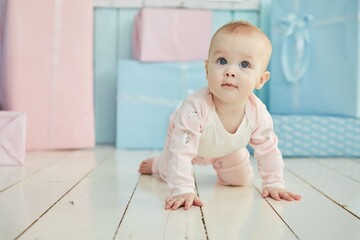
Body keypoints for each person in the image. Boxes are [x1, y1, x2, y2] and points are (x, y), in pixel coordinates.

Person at [138, 20, 302, 210]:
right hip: (185, 145)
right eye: (222, 61)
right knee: (171, 169)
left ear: (260, 79)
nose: (230, 71)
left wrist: (274, 183)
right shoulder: (195, 108)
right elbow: (182, 153)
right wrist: (183, 189)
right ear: (207, 69)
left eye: (244, 64)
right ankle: (158, 164)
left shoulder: (257, 113)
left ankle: (225, 162)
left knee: (241, 180)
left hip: (226, 150)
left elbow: (268, 150)